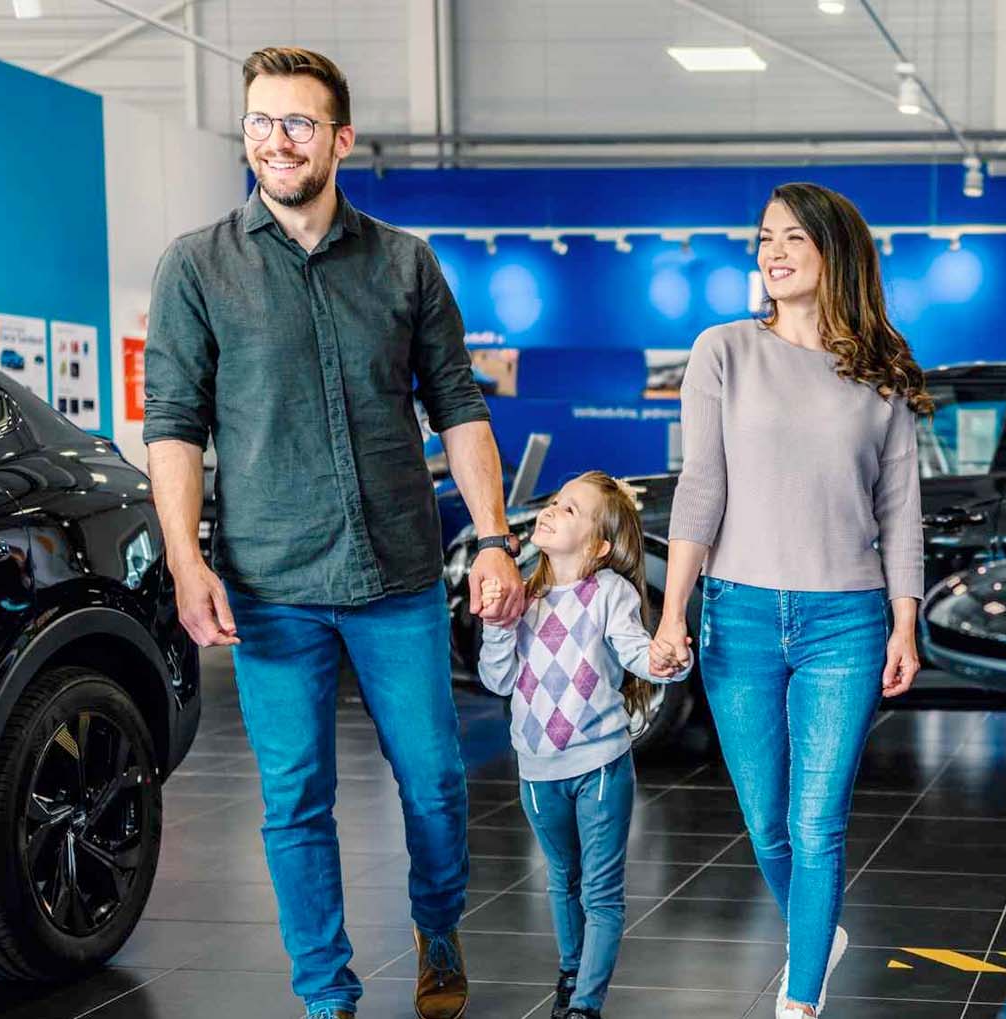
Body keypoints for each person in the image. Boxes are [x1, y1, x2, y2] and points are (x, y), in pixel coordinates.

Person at [143, 46, 527, 1019]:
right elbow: (174, 425)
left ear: (341, 139)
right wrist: (187, 560)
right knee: (296, 800)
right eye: (262, 122)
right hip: (271, 586)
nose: (278, 140)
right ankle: (326, 991)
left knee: (438, 785)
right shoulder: (197, 265)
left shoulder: (405, 261)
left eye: (300, 123)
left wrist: (492, 537)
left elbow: (459, 405)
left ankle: (437, 924)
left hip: (397, 573)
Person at [651, 182, 932, 1019]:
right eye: (765, 238)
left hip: (845, 621)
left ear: (834, 253)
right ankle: (820, 930)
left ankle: (800, 995)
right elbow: (700, 489)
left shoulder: (881, 372)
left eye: (793, 239)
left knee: (818, 821)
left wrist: (905, 623)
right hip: (737, 613)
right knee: (767, 819)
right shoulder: (723, 350)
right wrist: (672, 612)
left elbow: (902, 510)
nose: (772, 252)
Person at [477, 471, 690, 1019]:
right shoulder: (524, 595)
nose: (550, 510)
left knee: (600, 892)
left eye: (569, 509)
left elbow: (638, 653)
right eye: (553, 501)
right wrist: (498, 625)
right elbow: (498, 680)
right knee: (561, 878)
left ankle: (585, 1005)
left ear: (599, 545)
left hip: (600, 767)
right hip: (536, 773)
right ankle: (571, 969)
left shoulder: (609, 594)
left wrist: (668, 659)